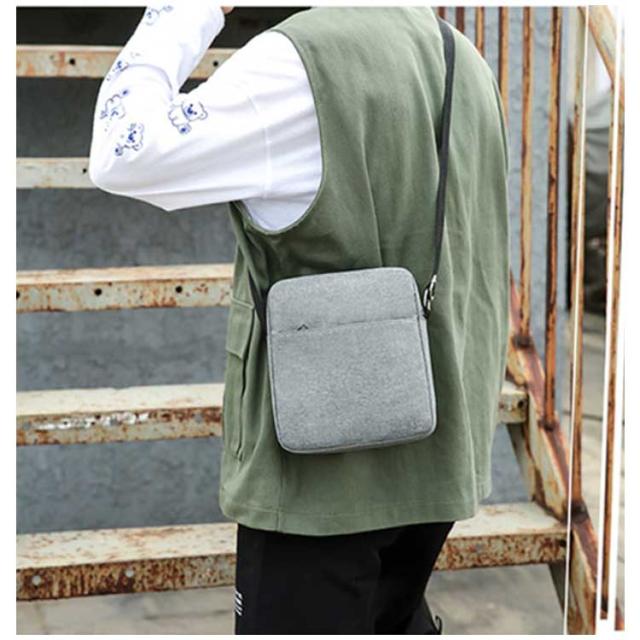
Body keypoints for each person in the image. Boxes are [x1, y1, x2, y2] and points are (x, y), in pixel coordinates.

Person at [89, 3, 510, 634]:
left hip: (319, 477)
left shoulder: (290, 65)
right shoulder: (462, 58)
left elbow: (123, 152)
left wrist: (186, 12)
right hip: (439, 450)